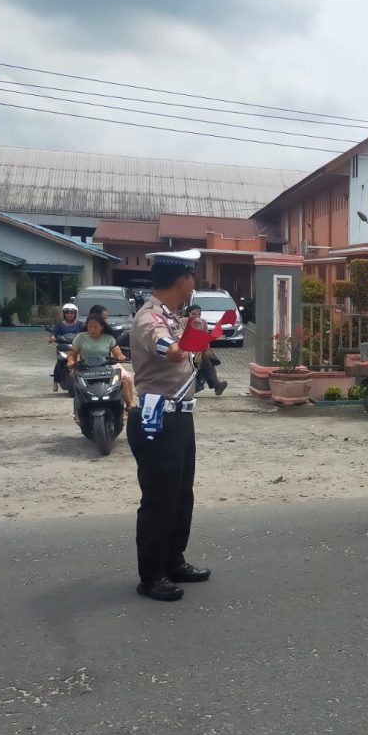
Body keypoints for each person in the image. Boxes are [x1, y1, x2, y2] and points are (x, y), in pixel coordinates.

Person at [126, 249, 210, 602]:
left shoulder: (173, 315)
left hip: (180, 414)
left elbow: (190, 352)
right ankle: (152, 574)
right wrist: (183, 342)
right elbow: (169, 349)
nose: (195, 282)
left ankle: (173, 560)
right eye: (193, 275)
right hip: (156, 418)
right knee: (160, 498)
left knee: (181, 495)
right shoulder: (150, 319)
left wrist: (200, 335)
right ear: (182, 280)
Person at [67, 312, 136, 410]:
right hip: (85, 367)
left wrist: (121, 356)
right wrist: (71, 361)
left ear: (102, 327)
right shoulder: (81, 337)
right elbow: (72, 354)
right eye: (90, 327)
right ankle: (78, 412)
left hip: (106, 366)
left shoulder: (109, 338)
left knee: (124, 377)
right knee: (77, 385)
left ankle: (129, 403)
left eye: (95, 327)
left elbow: (117, 354)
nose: (92, 329)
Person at [186, 304, 227, 396]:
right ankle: (216, 384)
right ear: (188, 314)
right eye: (193, 314)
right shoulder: (184, 322)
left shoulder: (203, 323)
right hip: (188, 352)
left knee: (205, 355)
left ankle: (216, 384)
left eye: (199, 315)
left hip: (200, 351)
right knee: (205, 358)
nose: (196, 317)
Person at [48, 303, 83, 391]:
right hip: (63, 347)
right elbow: (53, 332)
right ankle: (55, 383)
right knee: (59, 362)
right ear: (64, 314)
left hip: (77, 347)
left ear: (75, 314)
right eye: (67, 313)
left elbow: (86, 332)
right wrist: (52, 337)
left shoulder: (80, 324)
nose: (69, 315)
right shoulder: (59, 325)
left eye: (72, 313)